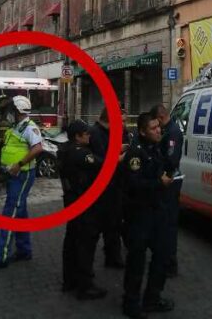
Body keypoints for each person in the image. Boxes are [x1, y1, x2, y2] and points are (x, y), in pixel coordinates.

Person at [121, 113, 175, 318]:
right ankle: (131, 303)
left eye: (158, 126)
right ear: (143, 131)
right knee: (137, 260)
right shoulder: (136, 153)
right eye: (153, 128)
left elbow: (159, 169)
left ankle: (152, 298)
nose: (158, 130)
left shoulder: (155, 149)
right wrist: (159, 183)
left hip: (157, 212)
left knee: (162, 255)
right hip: (139, 215)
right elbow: (134, 185)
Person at [0, 95, 42, 271]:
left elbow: (38, 148)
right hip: (12, 175)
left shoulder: (29, 127)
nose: (8, 114)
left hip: (22, 176)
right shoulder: (15, 128)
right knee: (20, 212)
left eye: (11, 111)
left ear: (18, 111)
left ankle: (1, 256)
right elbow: (8, 152)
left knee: (10, 214)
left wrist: (20, 164)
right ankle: (24, 250)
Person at [61, 119, 107, 300]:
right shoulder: (80, 153)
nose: (89, 135)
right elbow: (102, 164)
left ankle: (70, 280)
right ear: (78, 137)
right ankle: (85, 286)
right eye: (86, 133)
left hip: (71, 201)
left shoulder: (66, 149)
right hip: (82, 203)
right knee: (85, 243)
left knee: (71, 241)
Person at [90, 106, 130, 268]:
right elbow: (104, 160)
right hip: (103, 187)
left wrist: (123, 147)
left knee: (113, 224)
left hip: (114, 186)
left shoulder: (106, 132)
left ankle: (113, 256)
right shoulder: (96, 134)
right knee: (100, 226)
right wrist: (124, 156)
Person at [151, 104, 183, 278]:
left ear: (161, 117)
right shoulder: (168, 130)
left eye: (157, 123)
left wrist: (161, 172)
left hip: (170, 183)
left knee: (169, 224)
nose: (157, 128)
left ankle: (170, 263)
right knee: (164, 223)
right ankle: (166, 259)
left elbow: (171, 159)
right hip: (167, 181)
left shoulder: (172, 132)